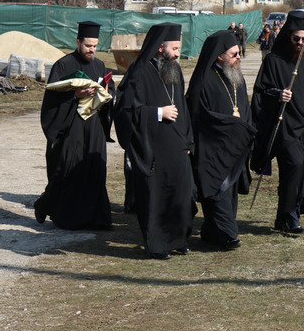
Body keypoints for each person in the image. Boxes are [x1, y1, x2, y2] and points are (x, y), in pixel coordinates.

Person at [251, 10, 304, 235]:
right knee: (294, 165)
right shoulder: (274, 60)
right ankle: (291, 216)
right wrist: (277, 94)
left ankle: (286, 216)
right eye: (296, 39)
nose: (300, 43)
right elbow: (261, 92)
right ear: (288, 36)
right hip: (284, 127)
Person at [114, 22, 195, 259]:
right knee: (155, 198)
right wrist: (158, 113)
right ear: (160, 47)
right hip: (152, 146)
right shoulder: (139, 72)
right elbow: (126, 111)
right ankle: (157, 244)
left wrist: (188, 142)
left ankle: (177, 239)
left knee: (181, 193)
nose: (179, 54)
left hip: (177, 145)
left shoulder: (175, 70)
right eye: (175, 48)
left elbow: (184, 109)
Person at [35, 21, 115, 230]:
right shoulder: (63, 65)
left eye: (95, 46)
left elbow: (111, 90)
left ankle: (95, 217)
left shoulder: (99, 65)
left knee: (95, 168)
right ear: (78, 42)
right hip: (72, 126)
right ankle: (55, 210)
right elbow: (51, 100)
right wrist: (75, 95)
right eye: (88, 45)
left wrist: (106, 94)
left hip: (94, 126)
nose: (92, 50)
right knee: (67, 169)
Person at [186, 30, 256, 251]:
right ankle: (227, 235)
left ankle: (212, 232)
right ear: (219, 56)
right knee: (218, 192)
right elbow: (198, 115)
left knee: (230, 192)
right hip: (212, 148)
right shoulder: (203, 81)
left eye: (238, 52)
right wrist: (229, 128)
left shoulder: (237, 77)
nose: (239, 57)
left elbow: (244, 108)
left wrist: (244, 131)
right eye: (234, 54)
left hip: (235, 148)